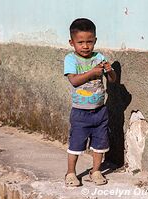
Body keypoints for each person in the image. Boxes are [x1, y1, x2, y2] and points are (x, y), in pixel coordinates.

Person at [63, 18, 116, 187]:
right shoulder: (71, 59)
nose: (85, 46)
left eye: (89, 42)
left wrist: (109, 71)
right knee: (76, 144)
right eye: (81, 42)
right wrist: (92, 72)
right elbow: (74, 81)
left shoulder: (99, 57)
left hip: (100, 110)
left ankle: (96, 171)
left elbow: (113, 80)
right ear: (72, 42)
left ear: (95, 41)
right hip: (80, 112)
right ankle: (71, 172)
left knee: (100, 144)